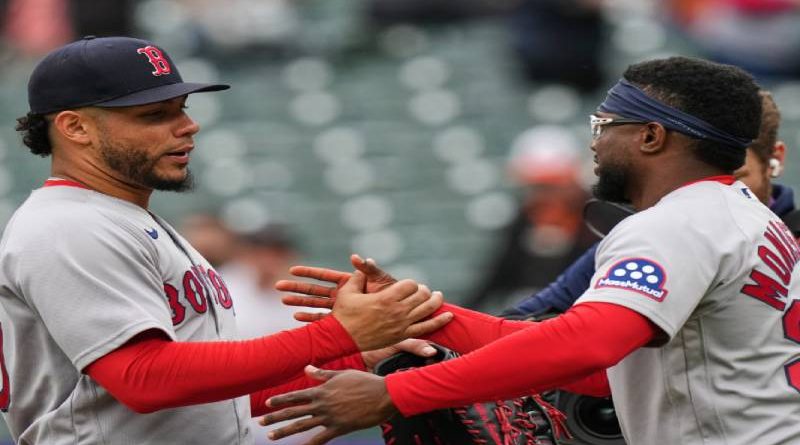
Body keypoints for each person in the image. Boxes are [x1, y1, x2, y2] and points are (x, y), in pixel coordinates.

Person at [261, 56, 800, 445]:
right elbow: (603, 369)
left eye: (604, 126)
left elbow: (587, 345)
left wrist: (399, 393)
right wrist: (419, 316)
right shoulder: (746, 217)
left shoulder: (676, 223)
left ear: (651, 137)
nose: (594, 143)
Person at [0, 36, 451, 444]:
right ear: (75, 127)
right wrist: (336, 335)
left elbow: (206, 400)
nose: (187, 126)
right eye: (154, 114)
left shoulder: (118, 219)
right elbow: (144, 380)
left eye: (182, 108)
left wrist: (354, 358)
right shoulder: (67, 226)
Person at [505, 89, 792, 319]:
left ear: (774, 160)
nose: (712, 192)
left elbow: (593, 341)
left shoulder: (788, 241)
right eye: (695, 179)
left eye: (737, 178)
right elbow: (537, 312)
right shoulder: (649, 233)